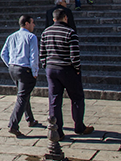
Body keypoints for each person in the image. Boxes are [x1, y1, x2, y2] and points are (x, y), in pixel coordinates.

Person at [40, 8, 94, 139]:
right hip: (67, 69)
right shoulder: (70, 33)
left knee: (54, 100)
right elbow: (75, 55)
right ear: (65, 18)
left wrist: (45, 65)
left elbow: (42, 53)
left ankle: (56, 130)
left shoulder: (45, 32)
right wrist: (77, 68)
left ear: (53, 19)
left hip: (51, 69)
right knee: (77, 98)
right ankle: (79, 126)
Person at [0, 15, 41, 136]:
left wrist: (10, 64)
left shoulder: (12, 36)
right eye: (33, 23)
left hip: (13, 68)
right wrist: (35, 72)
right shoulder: (31, 37)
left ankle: (30, 119)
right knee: (22, 97)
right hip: (24, 69)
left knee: (23, 93)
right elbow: (34, 56)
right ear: (27, 23)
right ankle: (13, 124)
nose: (34, 25)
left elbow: (3, 53)